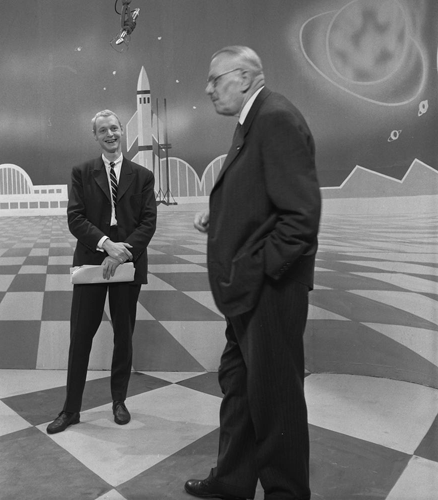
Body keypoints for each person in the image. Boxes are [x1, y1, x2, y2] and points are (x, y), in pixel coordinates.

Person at [185, 46, 321, 500]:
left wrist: (258, 271)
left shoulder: (275, 118)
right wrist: (221, 215)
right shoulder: (254, 120)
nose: (207, 89)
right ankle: (232, 481)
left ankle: (286, 492)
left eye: (215, 79)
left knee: (276, 400)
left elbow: (300, 218)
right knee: (240, 388)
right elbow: (263, 197)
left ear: (243, 77)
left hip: (268, 292)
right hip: (248, 292)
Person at [47, 109, 157, 434]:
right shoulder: (82, 173)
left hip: (127, 263)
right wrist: (107, 245)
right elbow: (75, 218)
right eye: (103, 130)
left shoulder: (142, 176)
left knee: (124, 336)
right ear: (95, 136)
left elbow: (148, 222)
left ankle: (119, 402)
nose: (110, 134)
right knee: (80, 337)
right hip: (92, 261)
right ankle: (71, 410)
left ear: (122, 131)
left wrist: (121, 254)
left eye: (114, 128)